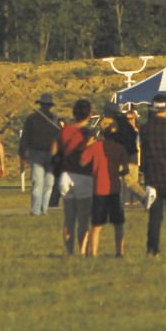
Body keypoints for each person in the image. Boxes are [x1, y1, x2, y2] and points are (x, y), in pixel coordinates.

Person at [139, 100, 166, 257]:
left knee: (155, 217)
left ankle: (152, 249)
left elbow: (142, 154)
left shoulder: (144, 130)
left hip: (153, 179)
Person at [82, 118, 129, 256]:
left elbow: (83, 161)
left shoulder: (95, 147)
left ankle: (94, 252)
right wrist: (118, 172)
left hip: (98, 189)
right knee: (118, 224)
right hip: (114, 188)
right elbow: (126, 169)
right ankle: (119, 252)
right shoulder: (119, 148)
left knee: (96, 225)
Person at [56, 98, 96, 256]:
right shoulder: (88, 132)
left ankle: (69, 251)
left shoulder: (65, 130)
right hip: (83, 176)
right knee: (83, 219)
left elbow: (57, 149)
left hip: (66, 175)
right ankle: (82, 250)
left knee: (69, 218)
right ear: (89, 114)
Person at [18, 92, 62, 215]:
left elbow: (60, 137)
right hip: (36, 153)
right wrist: (22, 152)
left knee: (49, 183)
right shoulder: (32, 119)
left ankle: (45, 208)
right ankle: (36, 209)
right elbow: (25, 137)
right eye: (44, 105)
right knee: (37, 182)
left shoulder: (55, 119)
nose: (45, 108)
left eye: (47, 106)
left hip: (51, 154)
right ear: (40, 105)